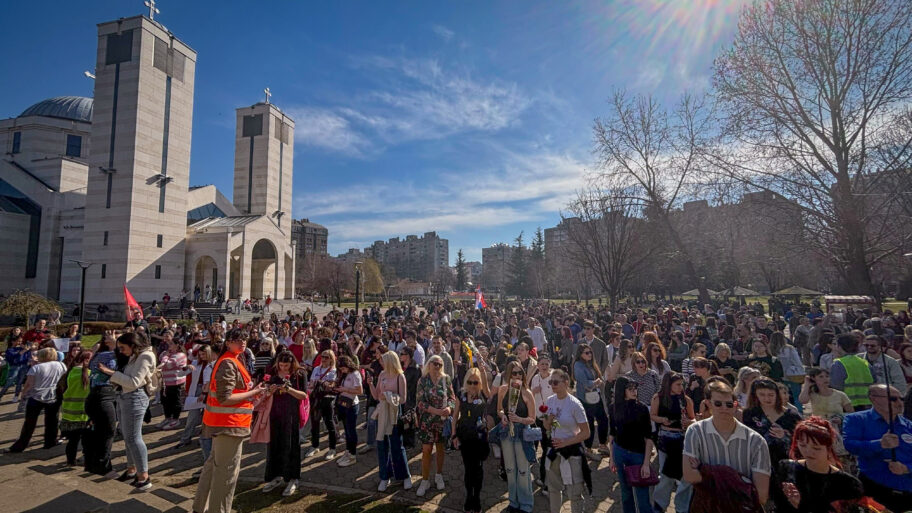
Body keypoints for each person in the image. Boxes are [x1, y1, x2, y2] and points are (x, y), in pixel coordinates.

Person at [193, 328, 268, 513]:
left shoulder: (232, 359)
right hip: (229, 425)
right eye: (237, 339)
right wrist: (255, 392)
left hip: (224, 423)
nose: (242, 342)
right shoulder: (229, 362)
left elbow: (234, 394)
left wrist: (253, 393)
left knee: (213, 466)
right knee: (226, 474)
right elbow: (224, 398)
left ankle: (199, 507)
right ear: (228, 342)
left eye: (245, 339)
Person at [683, 380, 772, 511]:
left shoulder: (756, 441)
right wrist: (740, 481)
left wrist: (706, 471)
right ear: (708, 404)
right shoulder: (695, 432)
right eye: (718, 404)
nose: (724, 408)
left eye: (729, 404)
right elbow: (690, 476)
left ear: (736, 405)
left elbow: (761, 495)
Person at [97, 332, 157, 491]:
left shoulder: (145, 357)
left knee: (133, 437)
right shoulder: (136, 354)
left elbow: (134, 382)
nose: (121, 351)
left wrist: (110, 373)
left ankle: (144, 476)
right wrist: (113, 343)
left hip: (134, 397)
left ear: (133, 345)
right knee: (127, 435)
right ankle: (132, 469)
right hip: (125, 396)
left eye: (123, 348)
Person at [771, 416, 863, 513]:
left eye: (816, 448)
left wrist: (801, 505)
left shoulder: (848, 484)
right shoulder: (786, 468)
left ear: (828, 448)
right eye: (802, 445)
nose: (808, 452)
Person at [843, 384, 912, 512]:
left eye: (901, 398)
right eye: (893, 399)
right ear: (874, 399)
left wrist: (906, 468)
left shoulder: (908, 425)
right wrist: (879, 444)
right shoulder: (856, 419)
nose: (899, 402)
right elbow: (850, 446)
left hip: (907, 491)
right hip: (875, 489)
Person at [542, 368, 590, 513]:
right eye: (551, 382)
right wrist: (548, 421)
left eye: (556, 382)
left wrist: (566, 442)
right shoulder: (550, 401)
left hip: (572, 452)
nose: (553, 385)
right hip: (554, 450)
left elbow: (586, 432)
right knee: (554, 489)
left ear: (566, 382)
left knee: (574, 491)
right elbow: (546, 427)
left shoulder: (575, 404)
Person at [262, 351, 308, 497]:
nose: (283, 368)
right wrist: (269, 390)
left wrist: (288, 389)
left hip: (291, 415)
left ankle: (293, 477)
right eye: (281, 365)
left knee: (291, 446)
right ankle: (275, 475)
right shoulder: (274, 374)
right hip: (275, 414)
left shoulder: (299, 375)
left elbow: (304, 395)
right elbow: (265, 393)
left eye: (286, 365)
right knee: (274, 445)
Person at [495, 359, 538, 513]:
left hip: (521, 433)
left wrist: (519, 419)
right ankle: (513, 501)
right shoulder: (503, 389)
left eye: (520, 372)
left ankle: (526, 503)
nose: (518, 375)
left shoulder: (527, 392)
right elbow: (499, 409)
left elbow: (533, 418)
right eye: (514, 373)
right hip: (506, 432)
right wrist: (503, 416)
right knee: (510, 469)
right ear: (508, 374)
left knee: (523, 470)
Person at [608, 375, 655, 513]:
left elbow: (649, 437)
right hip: (619, 452)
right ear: (622, 390)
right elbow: (612, 433)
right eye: (630, 389)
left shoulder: (642, 409)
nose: (634, 391)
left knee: (643, 497)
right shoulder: (614, 408)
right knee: (625, 493)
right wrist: (611, 457)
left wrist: (646, 463)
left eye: (635, 388)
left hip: (638, 455)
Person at [651, 372, 695, 513]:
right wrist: (662, 420)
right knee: (665, 474)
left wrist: (688, 422)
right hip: (666, 436)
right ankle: (659, 504)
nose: (680, 387)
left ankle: (682, 507)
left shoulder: (686, 399)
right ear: (669, 384)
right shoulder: (659, 398)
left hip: (683, 437)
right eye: (677, 384)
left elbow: (693, 418)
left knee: (685, 475)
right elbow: (652, 415)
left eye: (682, 384)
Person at [8, 347, 67, 453]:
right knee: (52, 421)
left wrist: (23, 394)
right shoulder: (61, 365)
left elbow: (28, 384)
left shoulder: (36, 368)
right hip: (53, 394)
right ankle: (50, 442)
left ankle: (21, 445)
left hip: (36, 396)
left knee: (30, 423)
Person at [370, 351, 412, 491]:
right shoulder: (381, 375)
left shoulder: (400, 376)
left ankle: (405, 476)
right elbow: (376, 395)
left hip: (394, 414)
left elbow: (403, 399)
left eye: (384, 360)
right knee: (382, 445)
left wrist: (389, 396)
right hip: (382, 413)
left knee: (396, 446)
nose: (381, 362)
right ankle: (384, 476)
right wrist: (370, 384)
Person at [415, 354, 456, 497]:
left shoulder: (445, 379)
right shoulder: (423, 380)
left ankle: (439, 475)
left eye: (440, 364)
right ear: (429, 364)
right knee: (426, 450)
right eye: (435, 363)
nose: (437, 366)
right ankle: (425, 480)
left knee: (440, 449)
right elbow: (420, 402)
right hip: (427, 421)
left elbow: (452, 398)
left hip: (441, 422)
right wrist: (436, 411)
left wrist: (449, 408)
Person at [742, 378, 802, 472]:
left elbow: (801, 441)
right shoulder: (749, 414)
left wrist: (784, 436)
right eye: (762, 395)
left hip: (785, 463)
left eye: (771, 395)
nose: (767, 398)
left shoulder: (792, 416)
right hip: (758, 462)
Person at [452, 367, 490, 513]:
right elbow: (455, 416)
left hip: (479, 438)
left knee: (478, 469)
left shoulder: (483, 394)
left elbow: (487, 387)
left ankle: (477, 498)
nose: (473, 385)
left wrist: (482, 365)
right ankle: (469, 496)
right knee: (468, 469)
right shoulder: (461, 394)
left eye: (476, 382)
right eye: (470, 382)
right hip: (465, 436)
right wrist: (454, 435)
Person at [84, 331, 118, 476]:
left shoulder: (100, 354)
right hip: (102, 394)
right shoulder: (105, 355)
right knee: (108, 431)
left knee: (98, 431)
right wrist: (114, 342)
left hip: (99, 395)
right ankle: (103, 467)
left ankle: (92, 464)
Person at [573, 343, 609, 457]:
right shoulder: (578, 365)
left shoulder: (591, 364)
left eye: (590, 352)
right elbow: (585, 383)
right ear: (580, 354)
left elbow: (599, 376)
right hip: (585, 398)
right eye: (587, 353)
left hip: (595, 396)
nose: (590, 354)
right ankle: (588, 448)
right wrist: (596, 383)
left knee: (603, 419)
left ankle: (602, 445)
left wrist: (598, 381)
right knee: (589, 423)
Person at [178, 345, 215, 453]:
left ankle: (203, 438)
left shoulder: (213, 364)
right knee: (192, 417)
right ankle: (185, 438)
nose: (202, 356)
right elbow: (180, 374)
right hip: (196, 391)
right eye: (200, 354)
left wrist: (205, 392)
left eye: (204, 354)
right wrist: (186, 368)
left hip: (208, 392)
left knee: (206, 418)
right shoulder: (195, 363)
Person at [60, 350, 93, 467]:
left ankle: (70, 461)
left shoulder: (69, 372)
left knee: (72, 441)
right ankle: (87, 460)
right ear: (86, 360)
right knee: (87, 440)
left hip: (69, 413)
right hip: (84, 414)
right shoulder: (90, 374)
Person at [304, 350, 338, 459]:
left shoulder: (334, 371)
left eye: (326, 357)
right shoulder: (316, 369)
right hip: (316, 399)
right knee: (315, 423)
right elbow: (312, 382)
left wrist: (322, 383)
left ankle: (332, 448)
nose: (323, 359)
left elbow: (332, 385)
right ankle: (315, 446)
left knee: (329, 423)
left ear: (331, 359)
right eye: (322, 357)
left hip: (328, 400)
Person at [829, 334, 874, 410]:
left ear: (840, 347)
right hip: (867, 404)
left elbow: (836, 386)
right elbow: (874, 381)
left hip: (847, 405)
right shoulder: (865, 363)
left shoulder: (839, 363)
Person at [333, 355, 363, 467]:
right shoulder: (344, 375)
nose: (342, 370)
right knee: (346, 430)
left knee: (351, 430)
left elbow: (359, 391)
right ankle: (348, 451)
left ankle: (352, 454)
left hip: (352, 405)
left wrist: (345, 389)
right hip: (343, 404)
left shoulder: (355, 374)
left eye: (343, 368)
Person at [158, 331, 188, 430]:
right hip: (166, 382)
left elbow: (168, 364)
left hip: (176, 382)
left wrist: (166, 357)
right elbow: (160, 358)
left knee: (175, 401)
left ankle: (175, 419)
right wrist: (165, 356)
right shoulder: (168, 353)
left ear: (177, 345)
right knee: (165, 401)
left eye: (171, 344)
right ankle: (167, 418)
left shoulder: (181, 355)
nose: (169, 345)